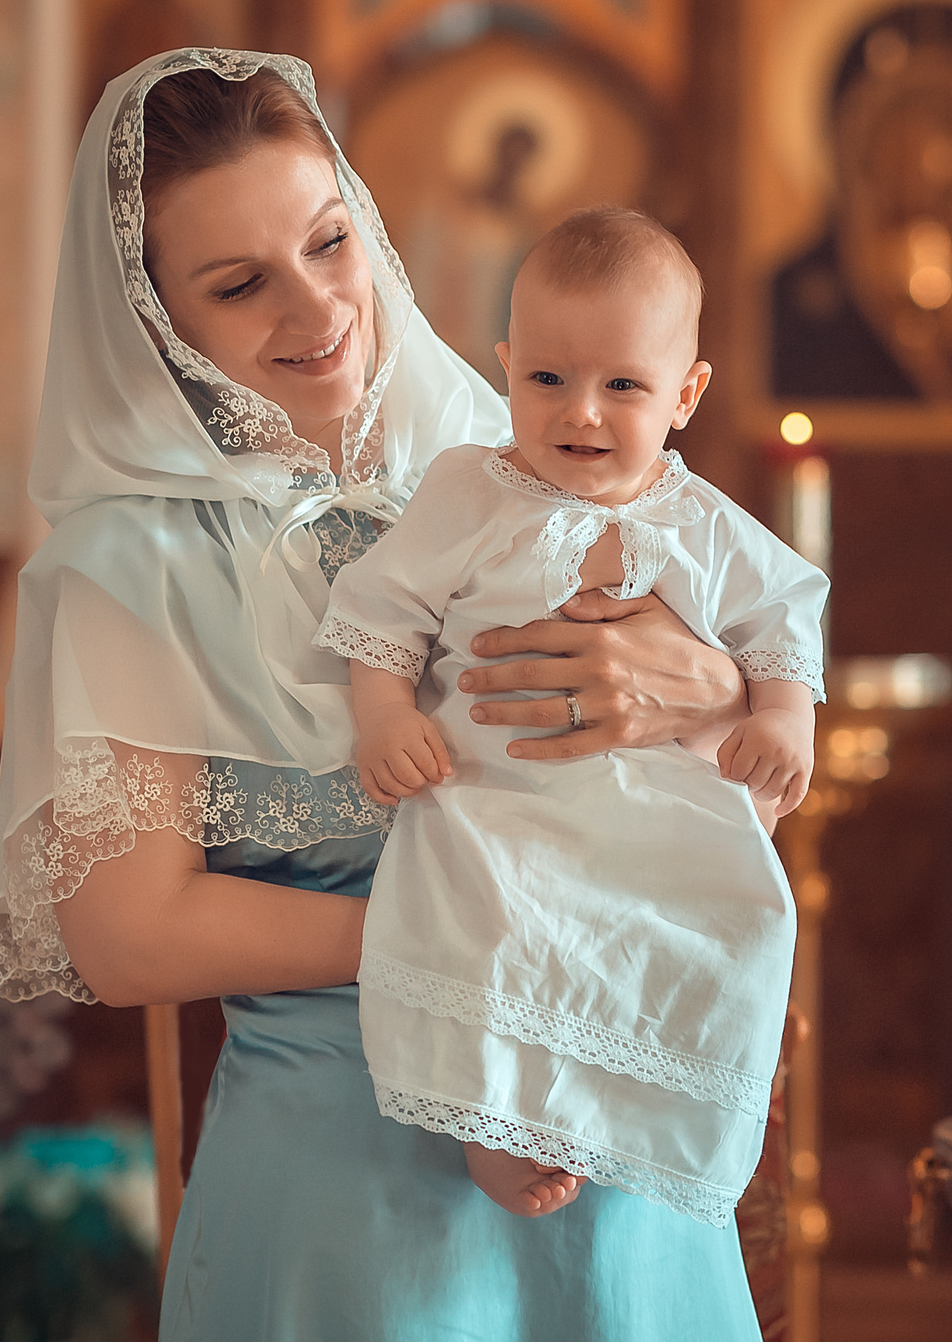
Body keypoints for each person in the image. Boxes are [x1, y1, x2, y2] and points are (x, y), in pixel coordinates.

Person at [0, 48, 793, 1342]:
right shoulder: (129, 566)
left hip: (609, 1120)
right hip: (353, 1182)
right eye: (239, 284)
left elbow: (745, 699)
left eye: (328, 241)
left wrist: (720, 688)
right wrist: (480, 947)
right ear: (159, 324)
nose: (317, 309)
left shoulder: (524, 444)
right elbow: (125, 933)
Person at [319, 206, 824, 1222]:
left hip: (650, 818)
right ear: (506, 368)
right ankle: (493, 1126)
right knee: (491, 924)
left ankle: (640, 1109)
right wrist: (384, 718)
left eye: (622, 386)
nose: (581, 413)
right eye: (547, 378)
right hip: (497, 799)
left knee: (738, 919)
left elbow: (783, 616)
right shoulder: (470, 493)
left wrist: (782, 718)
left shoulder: (701, 521)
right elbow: (381, 614)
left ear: (685, 394)